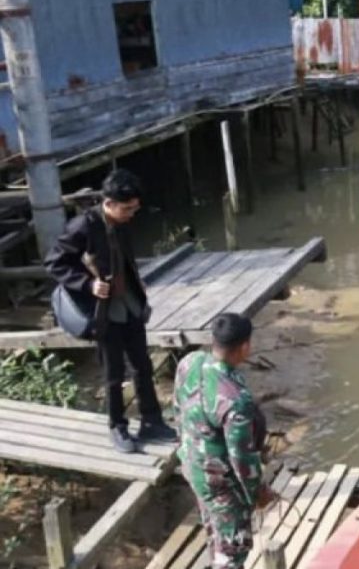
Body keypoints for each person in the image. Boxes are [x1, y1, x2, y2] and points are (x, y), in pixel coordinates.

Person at [45, 169, 176, 452]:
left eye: (135, 208)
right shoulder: (83, 226)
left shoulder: (122, 221)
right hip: (103, 310)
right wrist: (87, 284)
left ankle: (152, 420)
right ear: (109, 203)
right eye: (127, 208)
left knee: (143, 364)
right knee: (113, 372)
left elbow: (123, 256)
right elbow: (55, 262)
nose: (132, 213)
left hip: (128, 301)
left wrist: (136, 279)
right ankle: (117, 427)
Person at [174, 313, 273, 569]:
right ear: (245, 347)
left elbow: (178, 411)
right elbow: (242, 459)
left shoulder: (189, 361)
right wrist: (257, 493)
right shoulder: (235, 400)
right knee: (233, 547)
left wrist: (185, 451)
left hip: (192, 465)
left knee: (213, 528)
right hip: (221, 484)